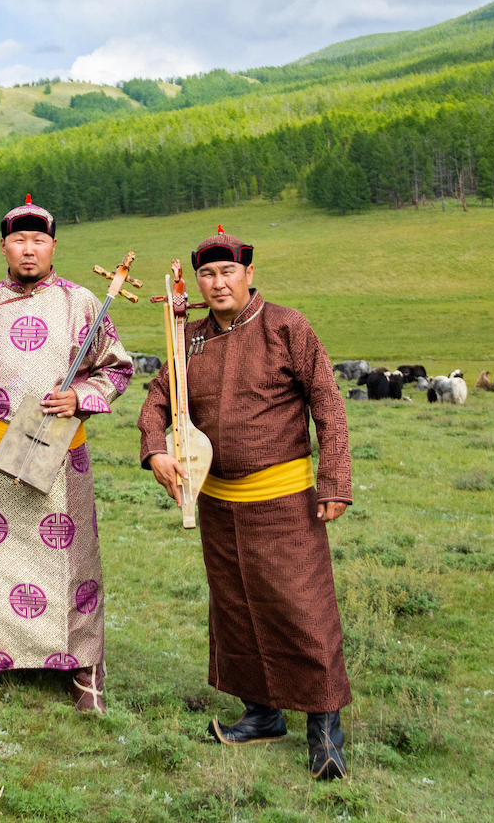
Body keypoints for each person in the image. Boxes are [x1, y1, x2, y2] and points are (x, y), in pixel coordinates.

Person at [136, 227, 353, 780]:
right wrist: (155, 451)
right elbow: (156, 401)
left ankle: (325, 728)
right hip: (218, 505)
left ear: (249, 274)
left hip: (283, 501)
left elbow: (328, 403)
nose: (217, 283)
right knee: (237, 613)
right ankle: (261, 714)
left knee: (301, 610)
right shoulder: (189, 340)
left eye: (227, 272)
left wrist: (334, 480)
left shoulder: (286, 327)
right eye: (207, 274)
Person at [0, 196, 134, 714]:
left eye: (39, 240)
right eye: (19, 240)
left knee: (72, 565)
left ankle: (83, 670)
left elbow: (118, 369)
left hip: (58, 458)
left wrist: (81, 397)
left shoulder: (83, 304)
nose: (29, 249)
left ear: (54, 245)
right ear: (3, 247)